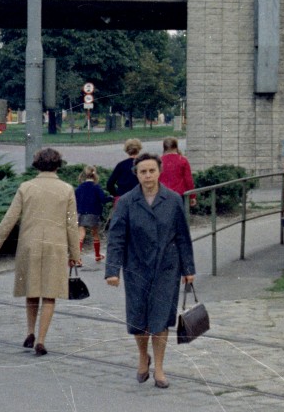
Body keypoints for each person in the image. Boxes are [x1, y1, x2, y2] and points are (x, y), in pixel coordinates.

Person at [105, 152, 196, 389]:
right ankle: (142, 356)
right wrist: (112, 270)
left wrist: (188, 268)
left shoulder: (174, 200)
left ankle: (159, 368)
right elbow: (116, 238)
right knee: (138, 318)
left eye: (152, 171)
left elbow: (183, 236)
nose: (148, 176)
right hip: (136, 267)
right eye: (143, 172)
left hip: (167, 268)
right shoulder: (126, 202)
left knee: (160, 319)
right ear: (136, 174)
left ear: (159, 171)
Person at [0, 147, 82, 356]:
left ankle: (29, 331)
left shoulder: (26, 187)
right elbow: (71, 225)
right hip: (55, 246)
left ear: (37, 164)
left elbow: (9, 219)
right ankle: (41, 339)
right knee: (49, 293)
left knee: (32, 289)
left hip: (29, 245)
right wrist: (75, 254)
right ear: (58, 165)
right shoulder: (66, 189)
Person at [74, 165, 107, 262]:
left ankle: (77, 258)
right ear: (94, 174)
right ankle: (97, 255)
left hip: (81, 212)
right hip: (93, 212)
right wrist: (111, 198)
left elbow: (75, 199)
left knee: (81, 235)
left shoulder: (80, 187)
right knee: (95, 233)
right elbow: (102, 199)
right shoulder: (96, 187)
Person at [159, 137, 195, 207]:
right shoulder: (183, 160)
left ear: (164, 147)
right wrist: (192, 195)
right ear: (176, 147)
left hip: (163, 194)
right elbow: (188, 180)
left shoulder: (159, 161)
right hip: (179, 194)